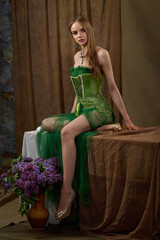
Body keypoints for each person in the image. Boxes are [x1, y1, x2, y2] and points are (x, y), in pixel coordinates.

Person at [36, 16, 139, 221]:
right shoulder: (76, 57)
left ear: (89, 31)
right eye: (75, 32)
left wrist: (127, 118)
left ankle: (67, 191)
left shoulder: (101, 54)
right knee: (46, 125)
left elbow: (112, 87)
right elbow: (78, 92)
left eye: (82, 30)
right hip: (82, 111)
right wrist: (73, 114)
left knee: (66, 132)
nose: (79, 35)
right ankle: (107, 128)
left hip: (98, 109)